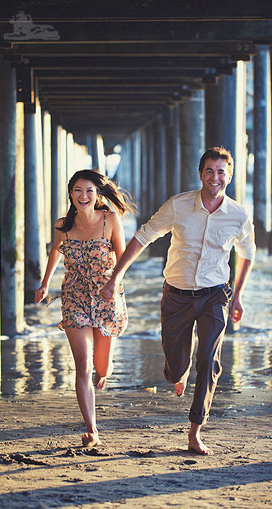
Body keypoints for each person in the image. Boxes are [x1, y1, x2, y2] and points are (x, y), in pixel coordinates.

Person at [100, 146, 255, 455]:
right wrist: (116, 276)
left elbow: (248, 253)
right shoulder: (178, 205)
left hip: (215, 295)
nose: (215, 177)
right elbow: (143, 236)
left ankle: (195, 430)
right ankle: (177, 374)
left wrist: (237, 296)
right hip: (177, 294)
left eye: (221, 171)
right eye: (209, 171)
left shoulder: (238, 215)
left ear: (230, 176)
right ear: (200, 174)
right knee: (176, 361)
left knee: (209, 361)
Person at [35, 169, 135, 447]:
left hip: (106, 297)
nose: (84, 196)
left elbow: (124, 257)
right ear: (71, 193)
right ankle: (92, 429)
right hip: (74, 298)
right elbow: (55, 251)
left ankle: (105, 372)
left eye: (90, 191)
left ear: (98, 194)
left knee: (100, 367)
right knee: (83, 366)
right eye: (78, 190)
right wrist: (45, 284)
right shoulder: (62, 226)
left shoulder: (110, 220)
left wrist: (114, 283)